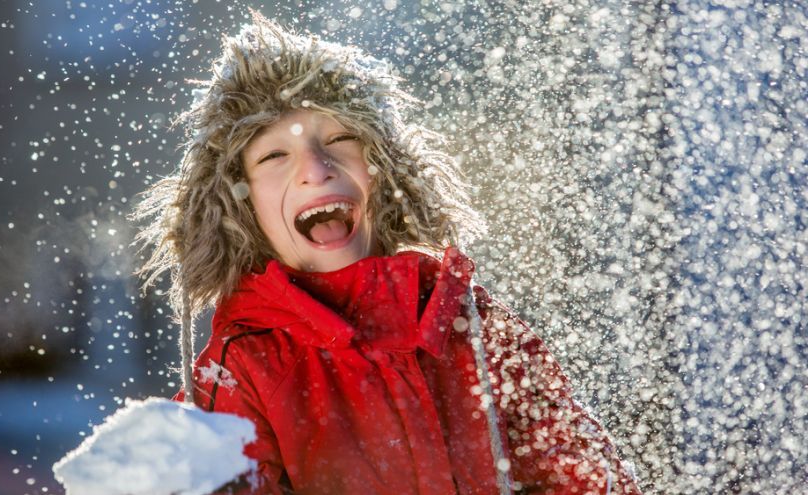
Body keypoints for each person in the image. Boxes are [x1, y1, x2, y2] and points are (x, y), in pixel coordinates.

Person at [133, 13, 641, 495]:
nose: (316, 167)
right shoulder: (244, 365)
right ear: (240, 207)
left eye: (341, 137)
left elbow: (587, 479)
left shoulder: (471, 326)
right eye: (273, 155)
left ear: (384, 173)